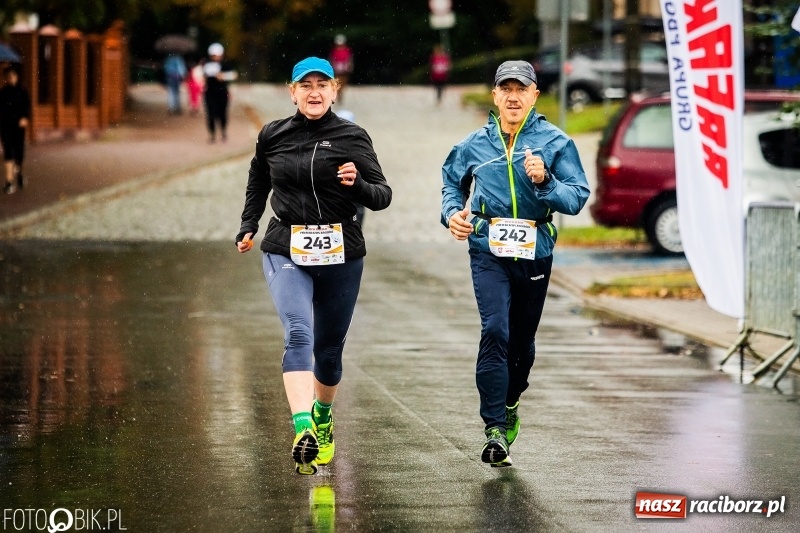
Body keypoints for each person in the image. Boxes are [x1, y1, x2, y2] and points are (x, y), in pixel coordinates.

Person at [235, 56, 392, 475]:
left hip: (341, 251)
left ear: (334, 90)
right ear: (292, 92)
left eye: (322, 84)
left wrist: (356, 183)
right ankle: (303, 427)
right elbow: (258, 179)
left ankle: (323, 415)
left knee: (329, 352)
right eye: (306, 85)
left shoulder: (352, 136)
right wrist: (249, 224)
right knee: (299, 331)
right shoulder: (273, 135)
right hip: (286, 246)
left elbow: (382, 195)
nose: (314, 92)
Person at [440, 60, 590, 467]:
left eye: (520, 89)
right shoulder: (475, 144)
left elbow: (576, 198)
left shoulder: (555, 142)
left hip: (535, 251)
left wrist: (545, 182)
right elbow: (452, 181)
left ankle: (509, 403)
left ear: (534, 95)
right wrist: (452, 212)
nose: (512, 96)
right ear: (494, 96)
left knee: (521, 343)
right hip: (487, 248)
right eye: (505, 88)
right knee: (495, 329)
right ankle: (493, 429)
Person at [0, 64, 31, 195]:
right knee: (8, 152)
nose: (10, 78)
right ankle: (9, 181)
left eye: (12, 76)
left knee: (19, 153)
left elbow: (27, 108)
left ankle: (19, 173)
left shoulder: (23, 92)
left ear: (17, 77)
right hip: (6, 126)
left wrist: (25, 118)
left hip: (18, 127)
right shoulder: (2, 92)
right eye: (8, 76)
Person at [203, 43, 237, 142]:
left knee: (223, 113)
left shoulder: (225, 64)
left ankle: (223, 131)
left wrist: (224, 76)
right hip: (210, 93)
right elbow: (202, 76)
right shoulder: (206, 64)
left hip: (222, 93)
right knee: (211, 114)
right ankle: (212, 134)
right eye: (214, 55)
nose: (217, 57)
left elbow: (234, 75)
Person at [328, 35, 353, 101]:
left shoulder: (346, 50)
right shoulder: (334, 51)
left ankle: (340, 93)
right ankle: (338, 94)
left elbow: (349, 59)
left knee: (343, 81)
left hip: (344, 69)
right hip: (337, 69)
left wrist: (349, 66)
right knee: (338, 81)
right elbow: (332, 59)